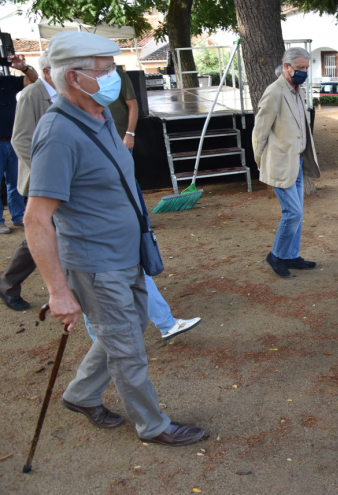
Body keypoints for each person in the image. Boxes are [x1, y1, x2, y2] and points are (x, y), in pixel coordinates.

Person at [24, 30, 205, 445]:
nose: (113, 78)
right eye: (105, 71)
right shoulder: (58, 133)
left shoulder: (99, 116)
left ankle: (81, 394)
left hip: (127, 254)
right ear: (74, 77)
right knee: (126, 348)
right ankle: (153, 425)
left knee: (129, 327)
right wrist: (58, 292)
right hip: (96, 263)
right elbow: (36, 220)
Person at [81, 65, 202, 341]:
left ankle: (165, 323)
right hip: (93, 226)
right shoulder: (67, 126)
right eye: (102, 68)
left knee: (135, 268)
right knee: (96, 285)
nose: (110, 73)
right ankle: (105, 345)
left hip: (117, 215)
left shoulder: (104, 119)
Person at [252, 47, 321, 278]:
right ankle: (277, 255)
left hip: (297, 162)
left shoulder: (295, 89)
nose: (304, 72)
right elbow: (259, 132)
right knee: (292, 213)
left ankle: (291, 255)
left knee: (297, 211)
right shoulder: (274, 92)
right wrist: (261, 161)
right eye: (300, 68)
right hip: (280, 163)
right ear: (286, 67)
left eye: (306, 68)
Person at [0, 52, 54, 311]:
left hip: (61, 177)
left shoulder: (60, 93)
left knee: (51, 232)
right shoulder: (34, 95)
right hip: (45, 179)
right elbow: (20, 139)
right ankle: (8, 284)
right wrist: (44, 172)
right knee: (42, 233)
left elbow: (29, 77)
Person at [0, 54, 38, 234]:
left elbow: (34, 79)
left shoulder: (7, 81)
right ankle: (0, 221)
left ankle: (18, 216)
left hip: (13, 141)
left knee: (16, 181)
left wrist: (23, 67)